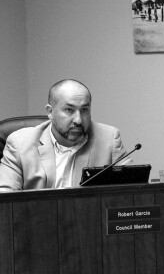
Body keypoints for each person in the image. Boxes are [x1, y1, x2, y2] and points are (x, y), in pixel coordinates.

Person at [0, 79, 132, 191]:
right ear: (50, 112)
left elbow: (132, 190)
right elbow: (5, 196)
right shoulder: (20, 143)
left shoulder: (109, 139)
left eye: (84, 110)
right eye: (69, 110)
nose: (78, 120)